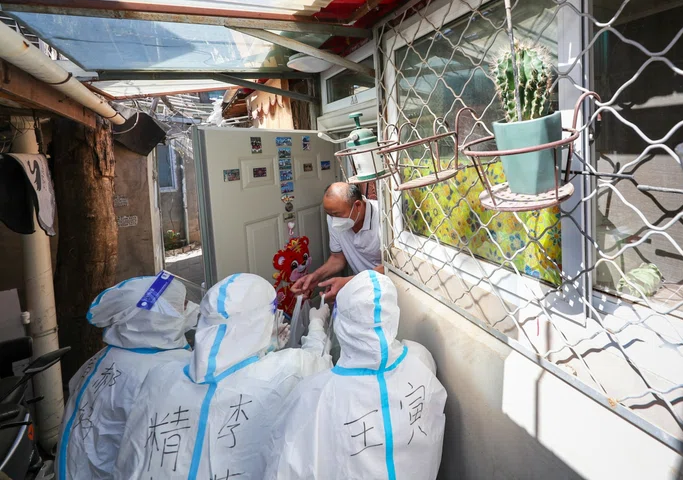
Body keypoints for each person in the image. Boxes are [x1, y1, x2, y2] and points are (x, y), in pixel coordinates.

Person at [112, 273, 333, 480]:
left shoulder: (161, 376)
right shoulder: (288, 368)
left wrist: (264, 348)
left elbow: (130, 456)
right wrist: (316, 324)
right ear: (259, 321)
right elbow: (320, 363)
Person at [263, 271, 446, 479]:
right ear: (394, 314)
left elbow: (286, 467)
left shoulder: (316, 395)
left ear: (341, 324)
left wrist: (316, 327)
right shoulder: (420, 359)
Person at [57, 273, 198, 480]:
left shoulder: (107, 356)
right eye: (182, 306)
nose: (191, 308)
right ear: (158, 318)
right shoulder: (163, 371)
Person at [292, 182, 383, 303]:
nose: (334, 220)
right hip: (362, 290)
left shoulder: (384, 217)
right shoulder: (334, 218)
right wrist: (315, 277)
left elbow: (391, 268)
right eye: (329, 214)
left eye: (336, 214)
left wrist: (348, 282)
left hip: (388, 287)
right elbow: (337, 258)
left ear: (357, 206)